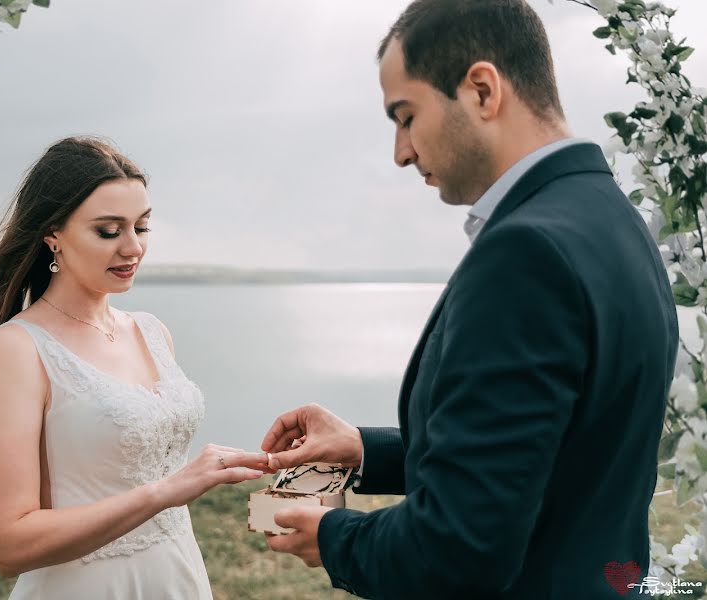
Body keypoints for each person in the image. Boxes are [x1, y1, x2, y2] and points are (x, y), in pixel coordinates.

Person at [261, 1, 679, 598]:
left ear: (482, 90)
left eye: (406, 116)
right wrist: (365, 451)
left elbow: (457, 552)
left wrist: (334, 536)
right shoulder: (611, 218)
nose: (400, 152)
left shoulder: (525, 254)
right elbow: (547, 450)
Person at [0, 136, 268, 599]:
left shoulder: (152, 332)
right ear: (53, 235)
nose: (133, 248)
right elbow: (7, 544)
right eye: (109, 231)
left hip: (177, 576)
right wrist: (163, 492)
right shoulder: (19, 349)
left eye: (141, 228)